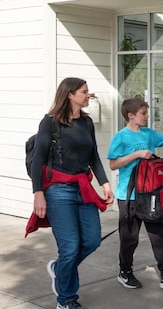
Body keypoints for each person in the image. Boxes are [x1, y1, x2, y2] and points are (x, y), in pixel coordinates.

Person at [30, 77, 114, 309]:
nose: (89, 95)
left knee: (92, 239)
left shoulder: (87, 122)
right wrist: (38, 192)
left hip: (82, 188)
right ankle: (66, 299)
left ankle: (59, 269)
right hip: (57, 191)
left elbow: (94, 156)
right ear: (70, 94)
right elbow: (38, 159)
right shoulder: (50, 123)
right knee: (69, 247)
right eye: (84, 92)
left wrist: (105, 183)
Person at [107, 98, 163, 292]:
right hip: (128, 195)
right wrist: (137, 154)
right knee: (129, 237)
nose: (147, 116)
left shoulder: (149, 133)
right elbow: (113, 164)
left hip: (150, 195)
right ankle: (125, 272)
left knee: (159, 236)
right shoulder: (121, 137)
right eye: (143, 113)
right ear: (131, 116)